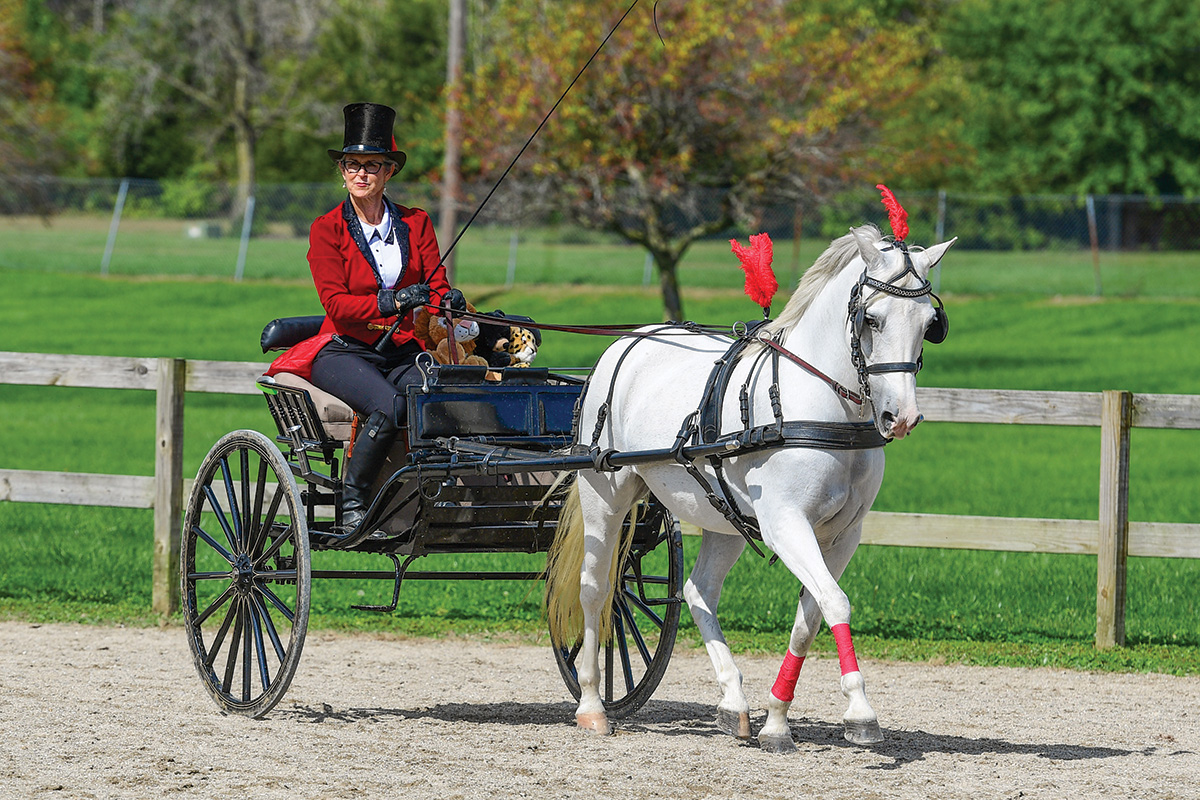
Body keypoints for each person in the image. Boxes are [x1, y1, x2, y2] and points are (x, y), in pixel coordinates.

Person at [289, 102, 466, 531]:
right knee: (388, 407)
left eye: (372, 165)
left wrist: (450, 301)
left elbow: (436, 281)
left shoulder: (417, 222)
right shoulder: (326, 229)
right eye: (352, 165)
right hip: (345, 350)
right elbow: (336, 305)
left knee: (433, 398)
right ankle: (353, 500)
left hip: (402, 349)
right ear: (343, 171)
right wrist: (391, 303)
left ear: (390, 172)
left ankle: (429, 498)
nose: (361, 174)